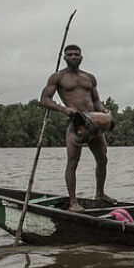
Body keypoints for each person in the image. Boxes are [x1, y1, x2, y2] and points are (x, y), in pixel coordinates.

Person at [39, 44, 115, 212]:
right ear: (65, 57)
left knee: (103, 159)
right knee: (73, 162)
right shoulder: (58, 77)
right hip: (76, 124)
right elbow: (44, 99)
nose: (73, 57)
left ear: (81, 57)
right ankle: (73, 202)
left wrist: (103, 110)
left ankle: (100, 193)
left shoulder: (89, 77)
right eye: (70, 54)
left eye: (76, 54)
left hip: (94, 123)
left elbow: (96, 101)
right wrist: (64, 109)